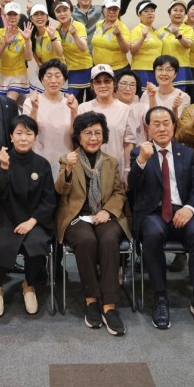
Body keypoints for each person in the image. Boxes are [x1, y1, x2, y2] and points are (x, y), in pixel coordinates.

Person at [128, 106, 194, 332]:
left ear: (174, 126)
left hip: (183, 210)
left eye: (166, 123)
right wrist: (142, 161)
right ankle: (160, 297)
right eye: (156, 124)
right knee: (153, 234)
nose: (161, 128)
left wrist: (189, 208)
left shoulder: (187, 153)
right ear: (148, 128)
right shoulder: (139, 153)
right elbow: (133, 187)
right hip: (153, 212)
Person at [56, 111, 131, 336]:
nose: (93, 137)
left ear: (104, 136)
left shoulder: (111, 162)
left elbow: (119, 193)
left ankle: (109, 306)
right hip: (77, 216)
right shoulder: (68, 159)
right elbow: (60, 190)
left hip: (104, 214)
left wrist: (108, 211)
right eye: (87, 133)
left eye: (98, 133)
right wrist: (68, 170)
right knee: (86, 240)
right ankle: (91, 300)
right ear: (78, 136)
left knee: (109, 240)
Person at [0, 116, 57, 317]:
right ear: (11, 136)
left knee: (37, 242)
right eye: (19, 133)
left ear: (35, 137)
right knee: (1, 242)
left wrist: (32, 221)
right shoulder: (0, 160)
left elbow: (49, 199)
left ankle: (29, 284)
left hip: (34, 219)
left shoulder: (42, 164)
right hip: (4, 218)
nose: (23, 138)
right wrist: (4, 168)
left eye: (28, 134)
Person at [78, 64, 136, 185]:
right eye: (98, 82)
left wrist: (127, 169)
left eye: (107, 81)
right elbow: (77, 141)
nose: (103, 85)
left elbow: (128, 143)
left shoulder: (125, 109)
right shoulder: (83, 108)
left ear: (114, 84)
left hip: (115, 168)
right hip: (88, 168)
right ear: (92, 85)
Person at [22, 59, 78, 179]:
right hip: (38, 161)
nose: (53, 80)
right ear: (42, 79)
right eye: (48, 76)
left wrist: (74, 111)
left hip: (64, 161)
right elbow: (27, 132)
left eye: (58, 76)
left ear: (64, 79)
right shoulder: (31, 102)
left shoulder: (70, 104)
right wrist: (35, 109)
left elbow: (76, 136)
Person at [45, 0, 133, 53]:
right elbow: (54, 14)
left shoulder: (100, 10)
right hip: (79, 54)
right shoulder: (70, 11)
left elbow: (117, 11)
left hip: (95, 53)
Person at [52, 0, 93, 101]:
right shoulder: (56, 29)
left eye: (65, 10)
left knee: (91, 101)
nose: (62, 14)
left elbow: (83, 48)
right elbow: (59, 53)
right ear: (55, 14)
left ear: (71, 11)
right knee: (71, 101)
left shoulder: (79, 26)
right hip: (71, 71)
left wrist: (74, 35)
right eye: (58, 11)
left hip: (86, 68)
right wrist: (52, 37)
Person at [0, 2, 34, 101]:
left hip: (19, 75)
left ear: (19, 17)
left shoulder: (25, 34)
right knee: (3, 103)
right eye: (9, 14)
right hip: (2, 74)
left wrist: (27, 40)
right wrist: (6, 43)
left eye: (15, 14)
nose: (12, 17)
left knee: (9, 101)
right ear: (4, 16)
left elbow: (29, 58)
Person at [158, 0, 194, 93]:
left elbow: (188, 44)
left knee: (178, 97)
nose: (178, 13)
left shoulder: (188, 29)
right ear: (169, 13)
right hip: (164, 69)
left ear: (185, 14)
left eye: (181, 11)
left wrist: (177, 34)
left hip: (181, 68)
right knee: (164, 96)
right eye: (175, 10)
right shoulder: (161, 30)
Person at [91, 0, 131, 78]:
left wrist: (119, 36)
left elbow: (126, 49)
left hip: (117, 71)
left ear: (119, 11)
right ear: (103, 9)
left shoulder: (122, 27)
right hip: (99, 69)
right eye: (109, 9)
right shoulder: (99, 24)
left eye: (115, 9)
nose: (112, 12)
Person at [141, 55, 191, 121]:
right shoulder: (146, 94)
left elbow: (177, 125)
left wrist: (174, 108)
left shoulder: (183, 97)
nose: (164, 73)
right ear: (154, 73)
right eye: (160, 69)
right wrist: (151, 98)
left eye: (169, 70)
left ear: (175, 74)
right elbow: (145, 122)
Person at [28, 3, 64, 93]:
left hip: (58, 72)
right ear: (31, 19)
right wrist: (40, 65)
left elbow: (60, 53)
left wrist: (52, 37)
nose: (39, 17)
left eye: (42, 14)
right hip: (45, 72)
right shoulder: (32, 35)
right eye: (36, 14)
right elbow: (35, 55)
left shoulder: (53, 32)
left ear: (47, 17)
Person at [128, 0, 163, 89]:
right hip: (142, 70)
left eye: (152, 11)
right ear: (139, 15)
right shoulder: (137, 30)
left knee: (154, 95)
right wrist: (143, 37)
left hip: (155, 70)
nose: (150, 13)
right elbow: (133, 51)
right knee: (144, 95)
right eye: (146, 11)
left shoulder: (155, 31)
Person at [116, 69, 148, 146]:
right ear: (115, 86)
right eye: (124, 84)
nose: (128, 88)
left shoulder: (144, 108)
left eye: (132, 85)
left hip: (139, 150)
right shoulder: (110, 107)